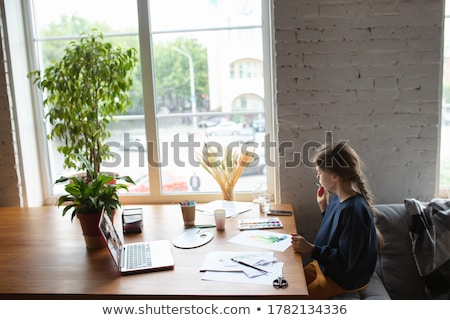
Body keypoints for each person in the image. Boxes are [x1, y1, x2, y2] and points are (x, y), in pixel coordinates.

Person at [291, 142, 384, 299]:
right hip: (325, 267)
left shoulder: (354, 211)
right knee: (288, 284)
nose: (317, 176)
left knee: (295, 300)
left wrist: (311, 249)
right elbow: (338, 232)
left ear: (335, 176)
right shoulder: (336, 200)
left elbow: (345, 260)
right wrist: (324, 209)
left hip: (341, 278)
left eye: (319, 172)